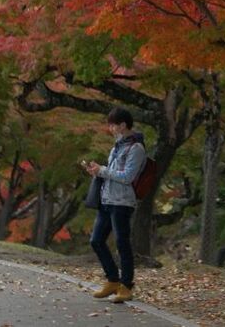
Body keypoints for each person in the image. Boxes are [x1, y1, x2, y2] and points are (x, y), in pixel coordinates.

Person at [83, 107, 146, 303]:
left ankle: (126, 286)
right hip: (107, 200)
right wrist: (97, 171)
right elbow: (112, 173)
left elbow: (127, 177)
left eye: (113, 124)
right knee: (96, 240)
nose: (110, 128)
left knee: (122, 242)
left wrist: (102, 170)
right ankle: (112, 280)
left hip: (122, 202)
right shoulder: (116, 147)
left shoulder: (136, 148)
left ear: (123, 125)